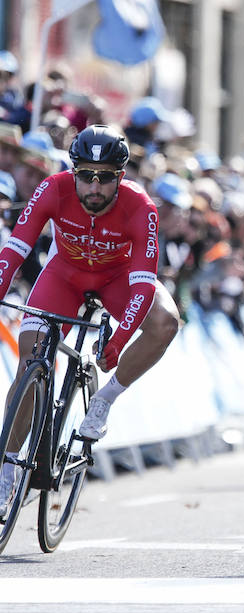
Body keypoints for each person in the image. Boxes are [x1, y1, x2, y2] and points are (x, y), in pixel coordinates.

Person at [0, 125, 181, 515]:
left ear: (121, 178)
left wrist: (117, 343)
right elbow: (16, 247)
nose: (93, 187)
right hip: (63, 275)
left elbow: (143, 286)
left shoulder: (141, 207)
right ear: (73, 172)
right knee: (30, 363)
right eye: (85, 175)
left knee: (167, 322)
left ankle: (104, 399)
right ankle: (7, 470)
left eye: (104, 178)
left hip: (119, 279)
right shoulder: (52, 188)